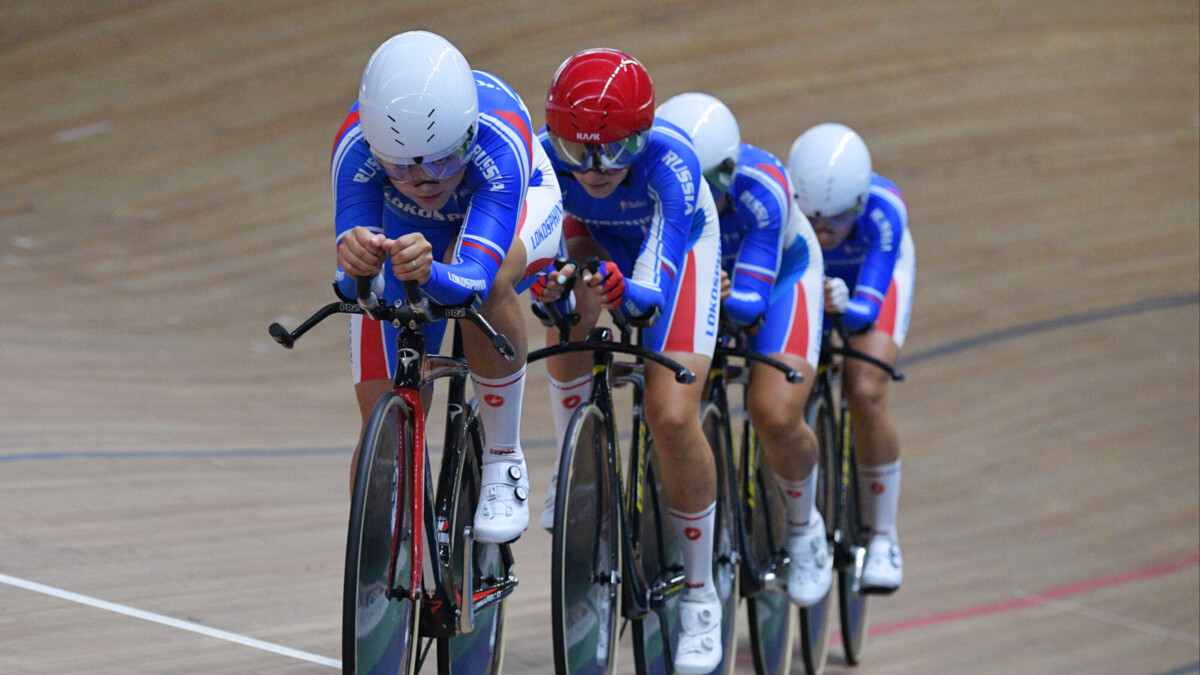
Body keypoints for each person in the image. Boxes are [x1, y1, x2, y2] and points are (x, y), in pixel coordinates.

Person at [330, 31, 564, 545]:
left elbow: (474, 281)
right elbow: (355, 284)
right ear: (375, 150)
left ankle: (504, 457)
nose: (425, 180)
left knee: (495, 281)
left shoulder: (499, 138)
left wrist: (429, 271)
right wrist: (357, 264)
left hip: (509, 212)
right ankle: (383, 563)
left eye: (442, 159)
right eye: (400, 167)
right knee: (380, 426)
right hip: (411, 239)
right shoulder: (354, 149)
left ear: (469, 132)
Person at [533, 49, 725, 674]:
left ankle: (701, 595)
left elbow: (649, 291)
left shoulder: (673, 164)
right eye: (577, 150)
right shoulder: (542, 161)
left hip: (678, 253)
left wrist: (625, 293)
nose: (594, 170)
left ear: (643, 138)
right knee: (567, 318)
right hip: (594, 240)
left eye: (616, 151)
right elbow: (529, 260)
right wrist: (549, 287)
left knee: (670, 415)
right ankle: (574, 465)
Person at [656, 93, 831, 607]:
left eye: (709, 185)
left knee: (773, 411)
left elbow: (751, 305)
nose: (697, 197)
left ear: (730, 172)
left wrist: (719, 293)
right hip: (709, 276)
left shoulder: (764, 187)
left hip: (778, 281)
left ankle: (803, 526)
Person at [787, 122, 915, 593]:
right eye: (813, 219)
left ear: (859, 205)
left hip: (870, 281)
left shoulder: (884, 210)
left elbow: (866, 309)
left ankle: (884, 534)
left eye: (837, 221)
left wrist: (848, 303)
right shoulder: (785, 202)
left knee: (865, 387)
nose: (822, 232)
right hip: (812, 282)